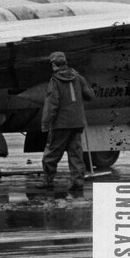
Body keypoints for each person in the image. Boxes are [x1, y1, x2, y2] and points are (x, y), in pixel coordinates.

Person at [38, 51, 95, 194]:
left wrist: (46, 123)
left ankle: (48, 181)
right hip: (77, 123)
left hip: (60, 124)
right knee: (75, 154)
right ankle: (77, 182)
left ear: (54, 65)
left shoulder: (55, 81)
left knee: (51, 154)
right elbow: (90, 96)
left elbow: (52, 104)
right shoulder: (78, 77)